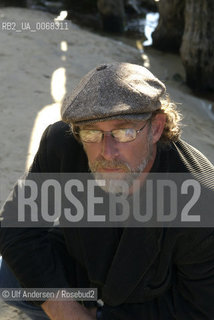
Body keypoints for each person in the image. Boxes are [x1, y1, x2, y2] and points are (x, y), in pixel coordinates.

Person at [0, 62, 214, 320]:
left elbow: (200, 307)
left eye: (124, 132)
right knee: (9, 278)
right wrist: (65, 310)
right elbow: (16, 226)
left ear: (156, 128)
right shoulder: (62, 144)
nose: (107, 152)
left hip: (152, 305)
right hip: (84, 282)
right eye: (91, 132)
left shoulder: (200, 196)